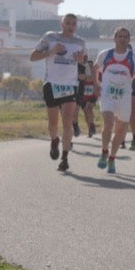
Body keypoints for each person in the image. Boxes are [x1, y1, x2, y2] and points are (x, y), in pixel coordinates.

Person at [30, 12, 86, 173]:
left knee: (67, 120)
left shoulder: (80, 41)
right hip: (52, 84)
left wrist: (80, 60)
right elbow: (32, 57)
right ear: (61, 24)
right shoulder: (50, 37)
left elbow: (83, 61)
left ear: (76, 26)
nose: (70, 26)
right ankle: (54, 140)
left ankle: (65, 158)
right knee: (53, 123)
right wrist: (51, 52)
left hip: (70, 85)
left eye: (73, 24)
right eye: (67, 23)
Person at [95, 27, 135, 175]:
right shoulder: (105, 54)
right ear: (115, 38)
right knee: (108, 123)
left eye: (126, 37)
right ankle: (104, 151)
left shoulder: (134, 57)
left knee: (120, 131)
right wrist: (96, 86)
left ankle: (112, 158)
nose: (123, 39)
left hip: (124, 98)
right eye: (120, 36)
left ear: (129, 40)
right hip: (107, 96)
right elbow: (95, 69)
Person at [75, 56, 99, 137]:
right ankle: (90, 128)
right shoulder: (80, 67)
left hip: (92, 93)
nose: (91, 67)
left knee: (89, 109)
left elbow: (92, 79)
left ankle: (91, 125)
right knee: (85, 111)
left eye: (92, 65)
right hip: (83, 93)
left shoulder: (94, 71)